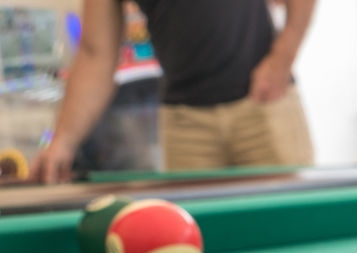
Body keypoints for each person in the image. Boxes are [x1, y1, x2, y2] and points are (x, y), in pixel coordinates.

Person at [33, 0, 316, 183]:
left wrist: (282, 58)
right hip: (184, 125)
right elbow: (96, 53)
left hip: (263, 105)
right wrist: (62, 142)